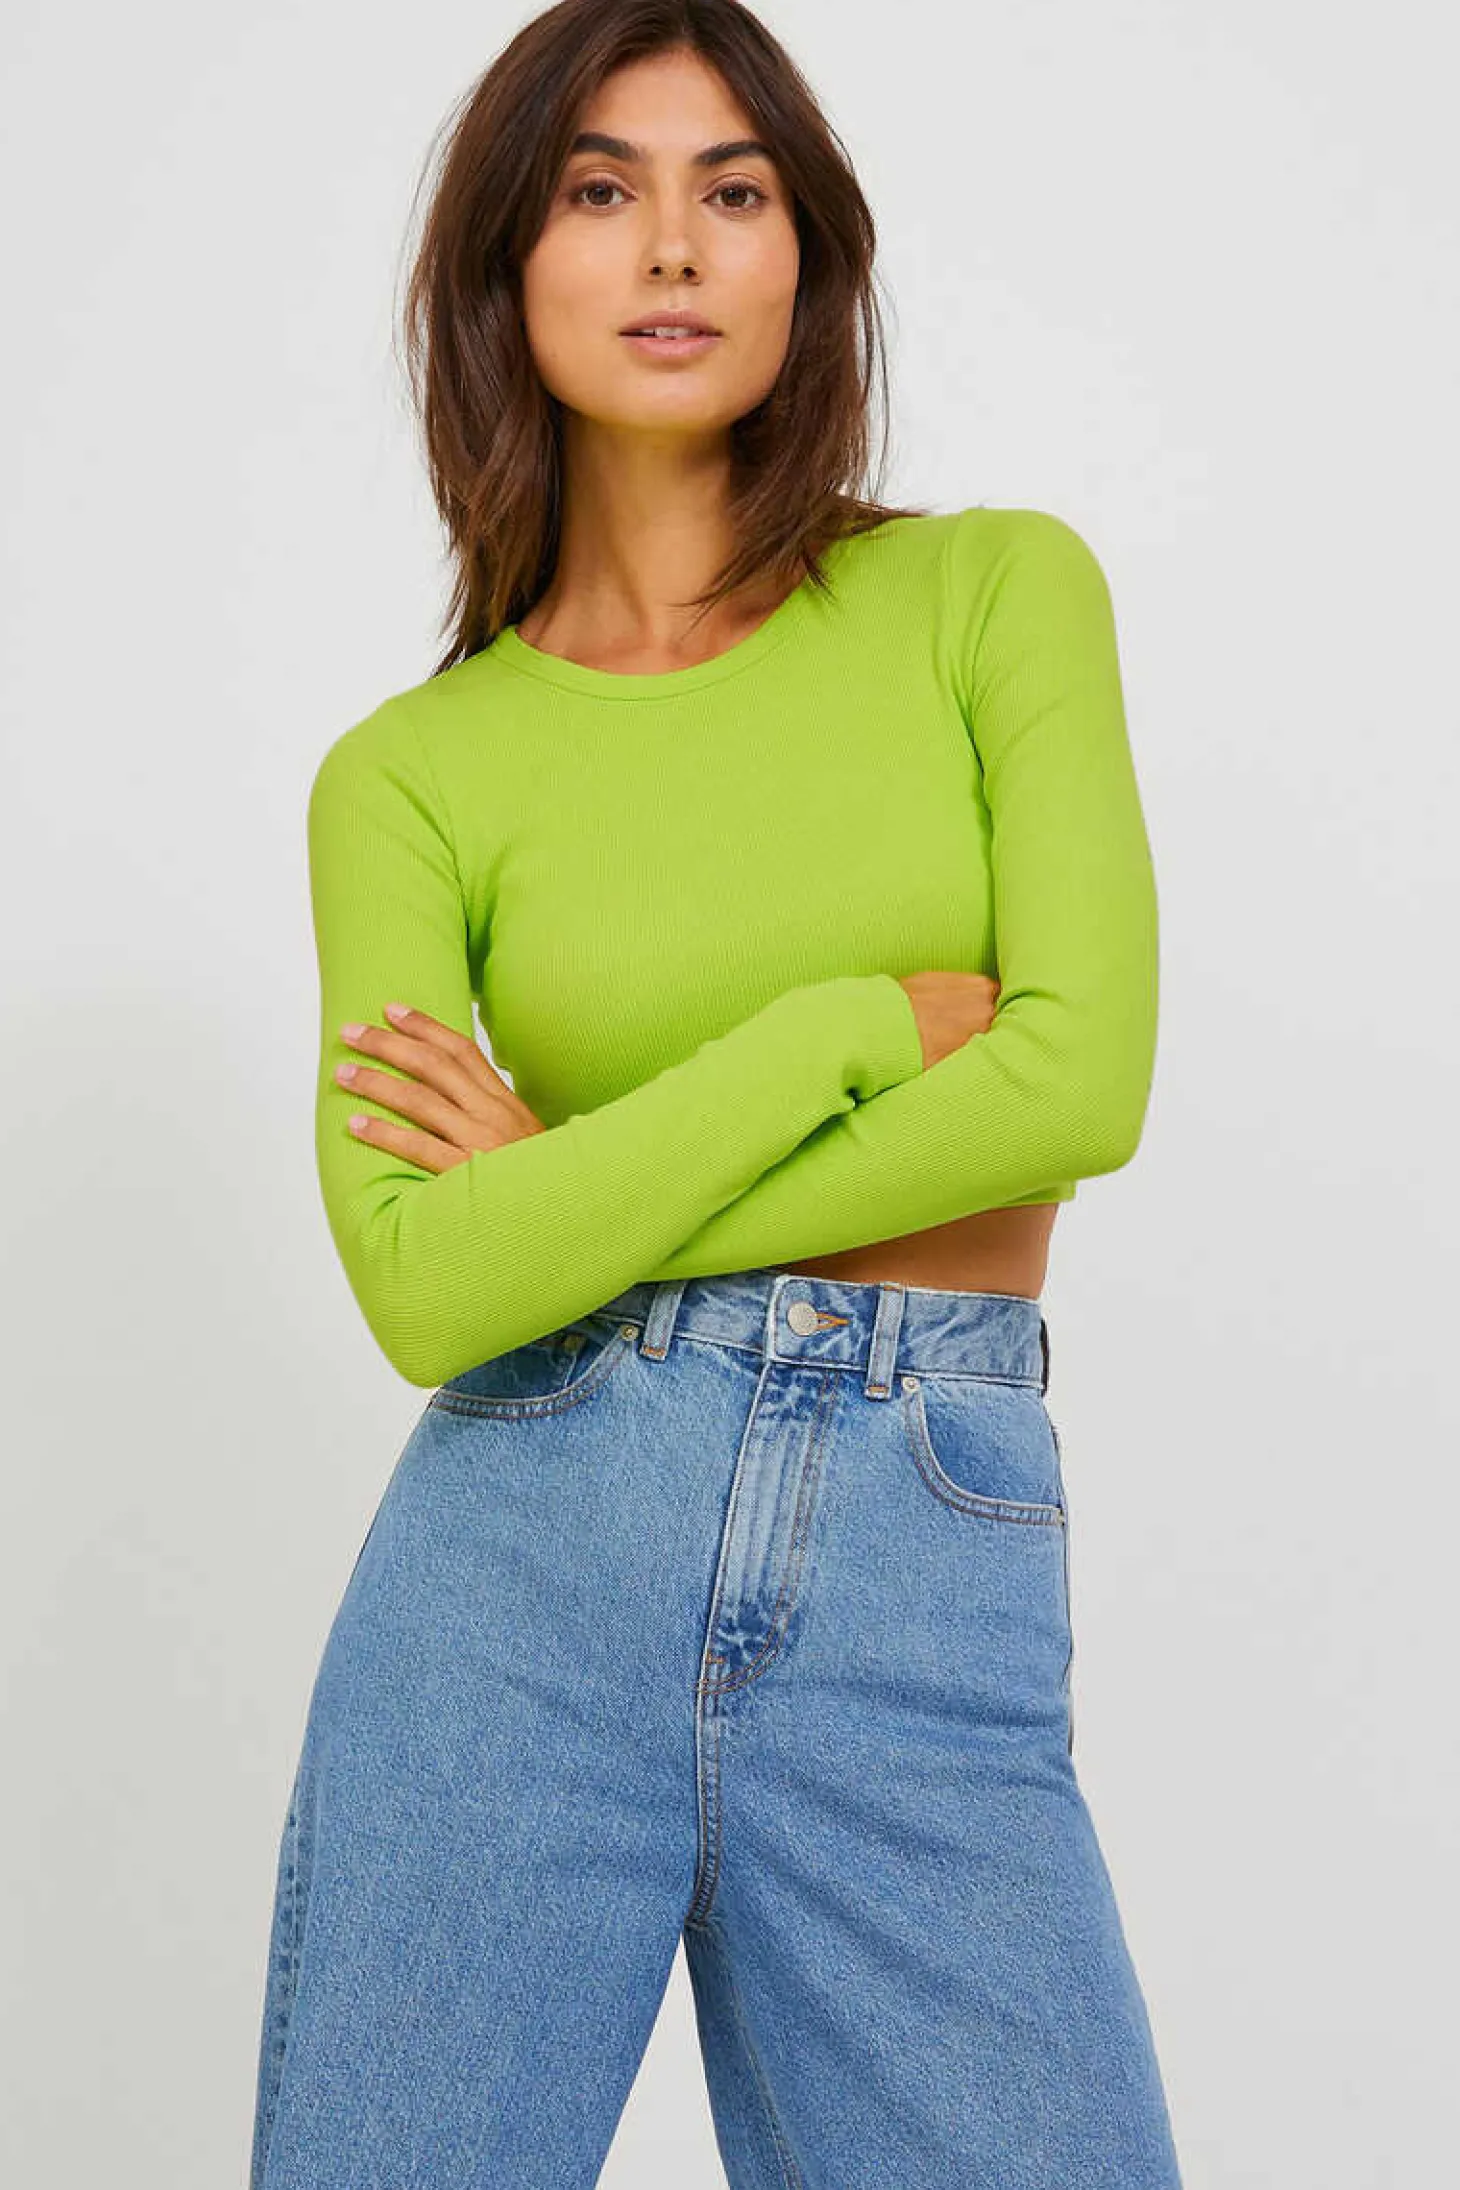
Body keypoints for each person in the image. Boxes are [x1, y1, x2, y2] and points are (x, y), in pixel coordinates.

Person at [249, 3, 1185, 2184]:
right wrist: (839, 1031)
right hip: (515, 1568)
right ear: (507, 266)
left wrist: (570, 1201)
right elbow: (424, 1288)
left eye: (731, 190)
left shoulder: (989, 592)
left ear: (802, 258)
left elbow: (1079, 1083)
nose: (672, 245)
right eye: (602, 189)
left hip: (923, 1534)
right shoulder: (410, 777)